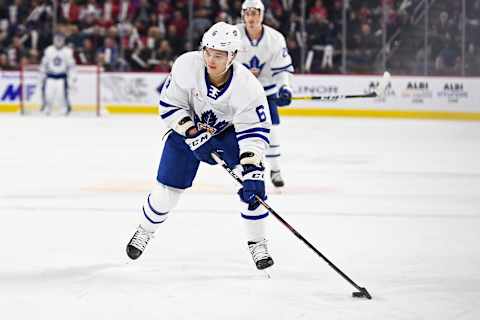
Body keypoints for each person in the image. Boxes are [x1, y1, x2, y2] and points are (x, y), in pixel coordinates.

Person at [126, 22, 275, 270]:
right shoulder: (186, 65)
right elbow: (170, 105)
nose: (211, 59)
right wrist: (194, 133)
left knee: (254, 189)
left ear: (233, 56)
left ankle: (257, 243)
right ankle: (145, 230)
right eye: (207, 51)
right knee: (166, 195)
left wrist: (251, 169)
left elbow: (253, 133)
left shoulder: (248, 87)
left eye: (219, 55)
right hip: (187, 131)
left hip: (227, 136)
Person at [235, 0, 294, 188]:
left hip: (265, 94)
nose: (251, 18)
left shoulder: (275, 39)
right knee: (238, 133)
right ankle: (243, 171)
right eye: (248, 13)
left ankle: (275, 169)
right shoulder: (232, 35)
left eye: (255, 13)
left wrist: (284, 88)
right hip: (238, 95)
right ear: (243, 14)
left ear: (262, 15)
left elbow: (282, 70)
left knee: (272, 131)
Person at [39, 32, 76, 115]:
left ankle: (64, 110)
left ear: (64, 40)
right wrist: (42, 76)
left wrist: (72, 78)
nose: (58, 41)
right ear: (53, 40)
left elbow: (71, 66)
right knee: (48, 96)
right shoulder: (48, 50)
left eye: (60, 39)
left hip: (62, 78)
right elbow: (44, 64)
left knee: (61, 97)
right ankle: (47, 109)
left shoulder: (68, 51)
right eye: (57, 39)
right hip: (50, 77)